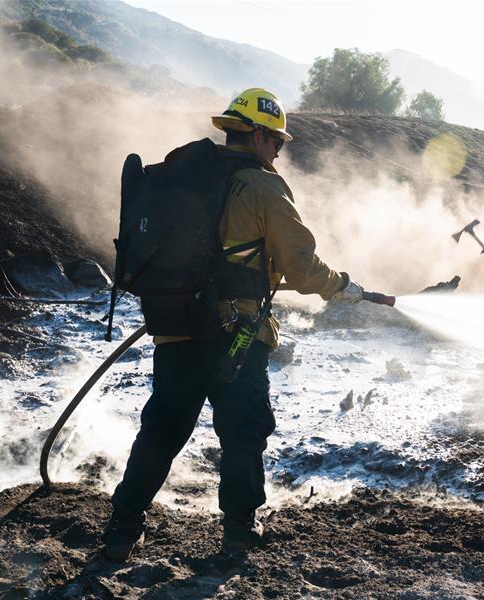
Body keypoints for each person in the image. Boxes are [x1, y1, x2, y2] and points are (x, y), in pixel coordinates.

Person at [103, 88, 366, 561]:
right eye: (277, 142)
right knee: (243, 431)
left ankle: (122, 531)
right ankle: (240, 533)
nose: (280, 151)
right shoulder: (263, 186)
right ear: (261, 135)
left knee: (162, 428)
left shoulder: (189, 178)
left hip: (175, 324)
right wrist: (340, 285)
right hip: (236, 334)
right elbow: (301, 265)